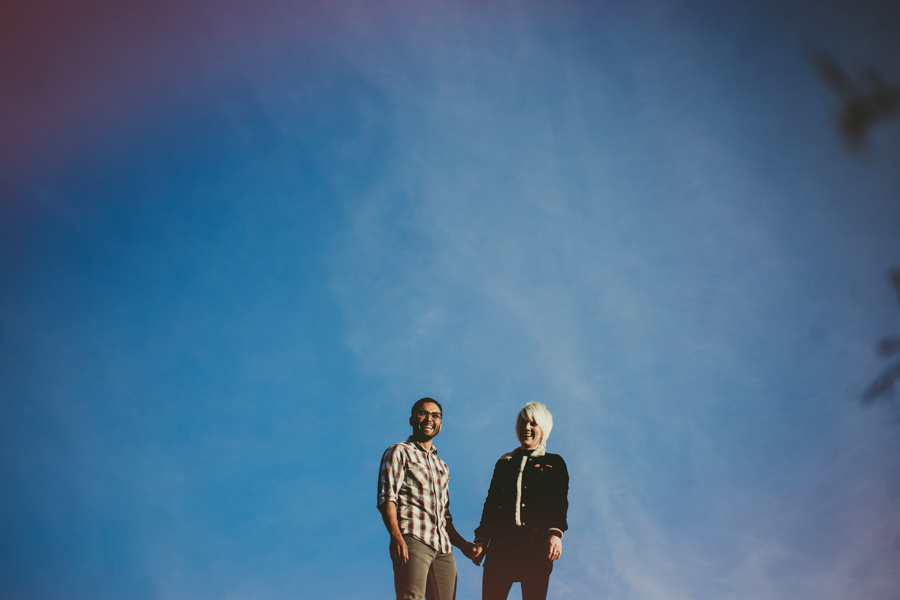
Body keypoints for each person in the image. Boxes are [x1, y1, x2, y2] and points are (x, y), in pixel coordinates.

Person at [378, 397, 476, 600]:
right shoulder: (399, 451)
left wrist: (464, 545)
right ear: (412, 420)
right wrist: (396, 536)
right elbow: (387, 497)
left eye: (435, 415)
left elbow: (445, 516)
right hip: (413, 538)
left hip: (444, 548)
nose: (429, 419)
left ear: (441, 423)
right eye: (423, 413)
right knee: (411, 597)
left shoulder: (442, 467)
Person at [470, 402, 569, 600]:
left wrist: (556, 533)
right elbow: (491, 503)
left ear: (543, 428)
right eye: (523, 423)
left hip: (535, 546)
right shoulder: (504, 462)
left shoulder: (554, 462)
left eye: (533, 423)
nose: (527, 428)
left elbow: (558, 502)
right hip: (501, 545)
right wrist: (482, 538)